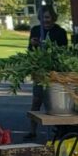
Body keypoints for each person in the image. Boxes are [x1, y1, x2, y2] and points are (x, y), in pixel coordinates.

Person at [26, 7, 69, 138]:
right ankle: (32, 130)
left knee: (56, 101)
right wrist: (33, 44)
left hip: (55, 70)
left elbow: (64, 51)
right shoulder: (35, 30)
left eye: (48, 17)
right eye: (44, 17)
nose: (46, 20)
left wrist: (48, 47)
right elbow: (30, 50)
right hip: (40, 69)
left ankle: (59, 129)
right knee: (36, 100)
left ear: (53, 18)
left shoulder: (60, 32)